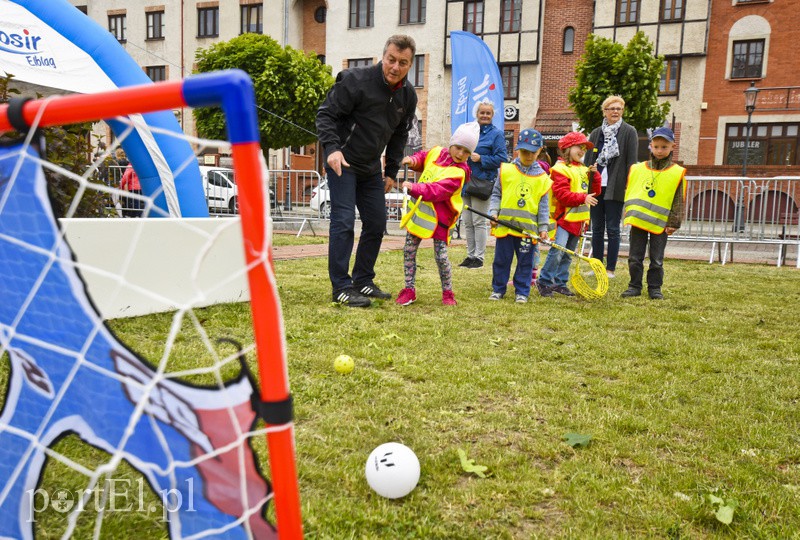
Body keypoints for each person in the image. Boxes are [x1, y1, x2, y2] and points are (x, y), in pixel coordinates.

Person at [316, 35, 418, 307]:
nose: (395, 67)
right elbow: (326, 114)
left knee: (376, 223)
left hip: (371, 168)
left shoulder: (408, 96)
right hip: (343, 162)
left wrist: (391, 171)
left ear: (410, 65)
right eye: (391, 59)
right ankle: (341, 287)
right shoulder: (355, 80)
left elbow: (399, 134)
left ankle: (363, 280)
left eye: (403, 63)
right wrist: (332, 149)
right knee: (343, 221)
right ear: (383, 56)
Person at [395, 122, 478, 306]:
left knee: (441, 257)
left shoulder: (459, 173)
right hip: (419, 215)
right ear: (452, 143)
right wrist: (413, 160)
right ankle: (409, 289)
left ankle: (448, 292)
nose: (460, 154)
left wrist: (414, 187)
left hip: (441, 219)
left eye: (466, 152)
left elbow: (437, 190)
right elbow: (424, 157)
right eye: (458, 148)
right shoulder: (437, 152)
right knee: (409, 250)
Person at [620, 127, 686, 300]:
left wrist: (674, 222)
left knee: (657, 259)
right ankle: (634, 286)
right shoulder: (638, 168)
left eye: (664, 147)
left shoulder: (676, 172)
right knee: (635, 256)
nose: (659, 150)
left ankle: (655, 288)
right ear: (651, 146)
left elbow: (678, 199)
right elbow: (631, 191)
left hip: (661, 223)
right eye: (656, 146)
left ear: (672, 147)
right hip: (639, 220)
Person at [488, 129, 551, 303]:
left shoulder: (543, 178)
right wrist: (493, 212)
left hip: (527, 231)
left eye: (532, 152)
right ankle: (498, 289)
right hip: (505, 226)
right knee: (501, 260)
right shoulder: (506, 170)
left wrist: (543, 228)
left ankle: (522, 291)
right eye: (524, 152)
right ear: (517, 150)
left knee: (525, 262)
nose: (528, 156)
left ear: (540, 151)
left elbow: (543, 206)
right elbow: (496, 194)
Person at [537, 132, 601, 297]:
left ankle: (560, 282)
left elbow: (594, 192)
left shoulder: (584, 169)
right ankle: (544, 281)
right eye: (579, 147)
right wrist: (582, 198)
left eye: (584, 148)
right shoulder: (560, 169)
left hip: (578, 220)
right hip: (563, 219)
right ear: (567, 148)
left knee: (568, 254)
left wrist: (595, 176)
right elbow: (562, 195)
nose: (582, 151)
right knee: (558, 251)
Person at [585, 96, 638, 278]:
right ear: (604, 111)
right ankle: (597, 267)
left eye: (619, 108)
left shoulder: (629, 131)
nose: (615, 111)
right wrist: (589, 172)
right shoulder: (596, 133)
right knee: (597, 228)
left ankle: (610, 269)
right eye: (611, 108)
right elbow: (588, 160)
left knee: (613, 229)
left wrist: (629, 186)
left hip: (616, 186)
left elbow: (631, 161)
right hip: (596, 187)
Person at [458, 99, 507, 269]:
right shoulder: (470, 130)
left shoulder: (497, 134)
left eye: (488, 113)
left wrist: (482, 159)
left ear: (492, 115)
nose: (485, 115)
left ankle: (479, 257)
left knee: (479, 221)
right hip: (466, 181)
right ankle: (470, 255)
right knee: (467, 221)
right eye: (482, 112)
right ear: (477, 114)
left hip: (482, 183)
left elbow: (502, 158)